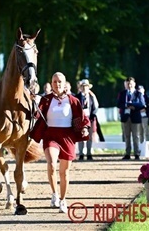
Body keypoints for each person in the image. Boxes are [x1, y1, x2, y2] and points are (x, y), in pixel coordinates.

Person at [30, 72, 90, 213]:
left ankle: (63, 200)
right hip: (50, 136)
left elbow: (82, 118)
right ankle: (54, 194)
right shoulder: (45, 99)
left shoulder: (73, 100)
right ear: (51, 84)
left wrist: (85, 129)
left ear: (65, 83)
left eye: (60, 81)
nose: (57, 84)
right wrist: (33, 102)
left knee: (64, 172)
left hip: (67, 137)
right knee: (51, 164)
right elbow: (37, 114)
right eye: (55, 81)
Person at [117, 77, 145, 160]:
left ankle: (137, 153)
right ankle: (127, 153)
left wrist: (133, 106)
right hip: (125, 116)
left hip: (135, 116)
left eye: (131, 83)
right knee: (126, 136)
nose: (129, 85)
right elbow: (118, 104)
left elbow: (142, 104)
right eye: (128, 83)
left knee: (136, 136)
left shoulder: (138, 94)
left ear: (134, 84)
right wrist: (126, 105)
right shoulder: (122, 93)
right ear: (125, 84)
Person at [75, 79, 99, 160]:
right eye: (83, 87)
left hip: (90, 118)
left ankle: (89, 153)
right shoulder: (77, 97)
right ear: (80, 88)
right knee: (80, 136)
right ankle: (81, 153)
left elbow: (96, 107)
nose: (85, 88)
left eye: (86, 87)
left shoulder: (92, 97)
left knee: (89, 137)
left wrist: (93, 115)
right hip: (80, 119)